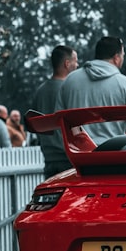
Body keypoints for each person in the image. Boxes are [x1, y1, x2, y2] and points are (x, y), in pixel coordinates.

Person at [55, 36, 126, 145]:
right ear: (116, 58)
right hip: (113, 155)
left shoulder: (70, 81)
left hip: (79, 156)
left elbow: (59, 122)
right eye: (122, 55)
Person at [31, 45, 78, 177]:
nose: (77, 65)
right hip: (68, 156)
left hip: (49, 157)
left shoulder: (40, 91)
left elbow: (35, 123)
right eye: (75, 61)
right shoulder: (70, 90)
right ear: (67, 63)